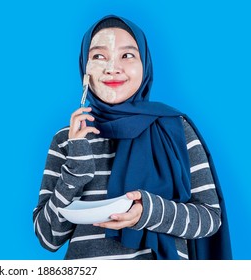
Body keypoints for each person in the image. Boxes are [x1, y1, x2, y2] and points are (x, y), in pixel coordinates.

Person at [32, 15, 232, 260]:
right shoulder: (67, 139)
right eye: (98, 56)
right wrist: (76, 169)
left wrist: (147, 212)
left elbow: (210, 219)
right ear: (85, 68)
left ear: (145, 64)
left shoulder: (175, 130)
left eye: (127, 55)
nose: (112, 67)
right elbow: (47, 238)